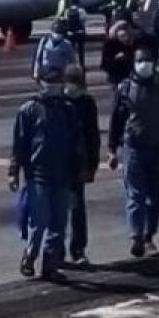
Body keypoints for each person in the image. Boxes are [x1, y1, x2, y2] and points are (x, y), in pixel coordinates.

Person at [106, 42, 159, 257]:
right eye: (140, 60)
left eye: (148, 60)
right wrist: (112, 149)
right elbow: (116, 120)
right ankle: (136, 236)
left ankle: (150, 232)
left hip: (158, 148)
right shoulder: (124, 89)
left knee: (154, 197)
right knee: (135, 195)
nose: (144, 64)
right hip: (133, 148)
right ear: (134, 63)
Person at [9, 67, 85, 280]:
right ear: (39, 82)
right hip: (38, 175)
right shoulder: (29, 110)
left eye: (56, 81)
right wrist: (13, 172)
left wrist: (79, 170)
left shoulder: (69, 110)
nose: (53, 85)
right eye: (48, 81)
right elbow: (19, 144)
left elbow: (77, 143)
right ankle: (30, 255)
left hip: (63, 175)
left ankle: (50, 265)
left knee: (58, 224)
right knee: (39, 221)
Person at [64, 65, 100, 266]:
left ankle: (78, 250)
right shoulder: (57, 102)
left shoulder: (87, 104)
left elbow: (93, 136)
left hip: (78, 164)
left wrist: (92, 165)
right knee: (57, 211)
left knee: (77, 208)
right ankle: (56, 251)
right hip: (58, 163)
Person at [32, 18, 77, 82]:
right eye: (56, 32)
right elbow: (38, 58)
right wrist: (36, 72)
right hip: (45, 71)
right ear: (52, 31)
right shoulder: (44, 41)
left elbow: (72, 61)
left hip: (59, 73)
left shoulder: (67, 44)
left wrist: (72, 75)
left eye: (60, 32)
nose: (57, 34)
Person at [99, 20, 136, 89]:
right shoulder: (109, 43)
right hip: (115, 74)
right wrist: (116, 58)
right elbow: (105, 61)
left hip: (129, 73)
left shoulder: (132, 43)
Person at [63, 0, 88, 68]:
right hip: (79, 32)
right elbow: (84, 20)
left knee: (71, 50)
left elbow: (66, 21)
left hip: (70, 33)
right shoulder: (81, 10)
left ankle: (72, 65)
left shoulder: (67, 11)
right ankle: (82, 65)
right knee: (81, 50)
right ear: (78, 2)